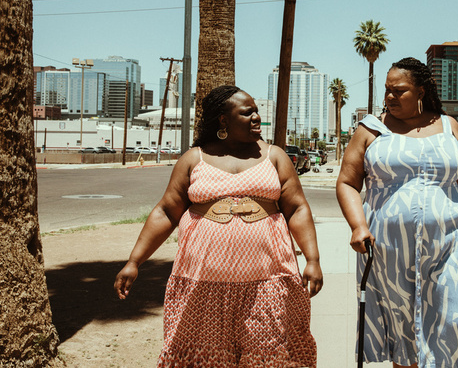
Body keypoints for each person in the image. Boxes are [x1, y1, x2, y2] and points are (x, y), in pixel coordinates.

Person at [114, 85, 323, 367]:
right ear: (223, 120)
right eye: (247, 112)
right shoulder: (193, 159)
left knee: (269, 356)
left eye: (257, 112)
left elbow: (297, 208)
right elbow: (165, 211)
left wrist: (312, 259)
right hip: (202, 287)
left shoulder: (275, 157)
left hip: (267, 284)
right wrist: (134, 261)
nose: (256, 117)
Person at [337, 58, 458, 368]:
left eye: (399, 91)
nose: (389, 98)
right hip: (390, 249)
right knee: (406, 331)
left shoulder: (449, 126)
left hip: (452, 244)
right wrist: (358, 226)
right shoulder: (371, 128)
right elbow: (346, 183)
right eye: (387, 91)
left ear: (421, 91)